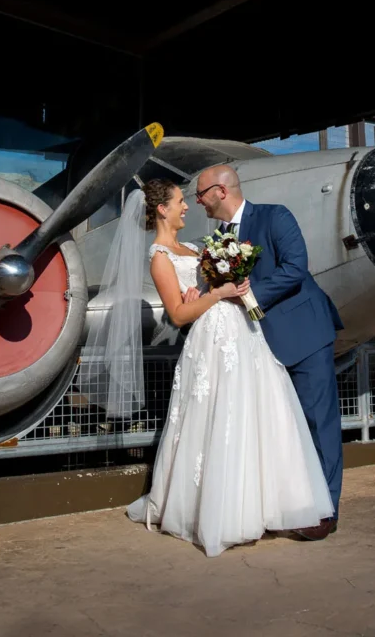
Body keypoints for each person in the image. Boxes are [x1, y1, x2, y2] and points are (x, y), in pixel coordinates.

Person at [102, 178, 333, 558]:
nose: (187, 207)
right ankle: (224, 512)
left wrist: (216, 288)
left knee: (258, 414)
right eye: (180, 201)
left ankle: (269, 505)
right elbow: (177, 315)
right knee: (220, 418)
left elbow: (203, 290)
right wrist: (216, 293)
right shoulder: (159, 256)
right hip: (212, 339)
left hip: (244, 332)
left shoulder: (194, 247)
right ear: (162, 209)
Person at [195, 164, 344, 541]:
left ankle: (326, 511)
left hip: (303, 334)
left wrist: (250, 296)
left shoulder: (275, 216)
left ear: (221, 191)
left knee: (317, 423)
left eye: (201, 194)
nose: (198, 201)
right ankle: (288, 504)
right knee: (281, 429)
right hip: (255, 346)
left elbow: (296, 268)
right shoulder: (219, 237)